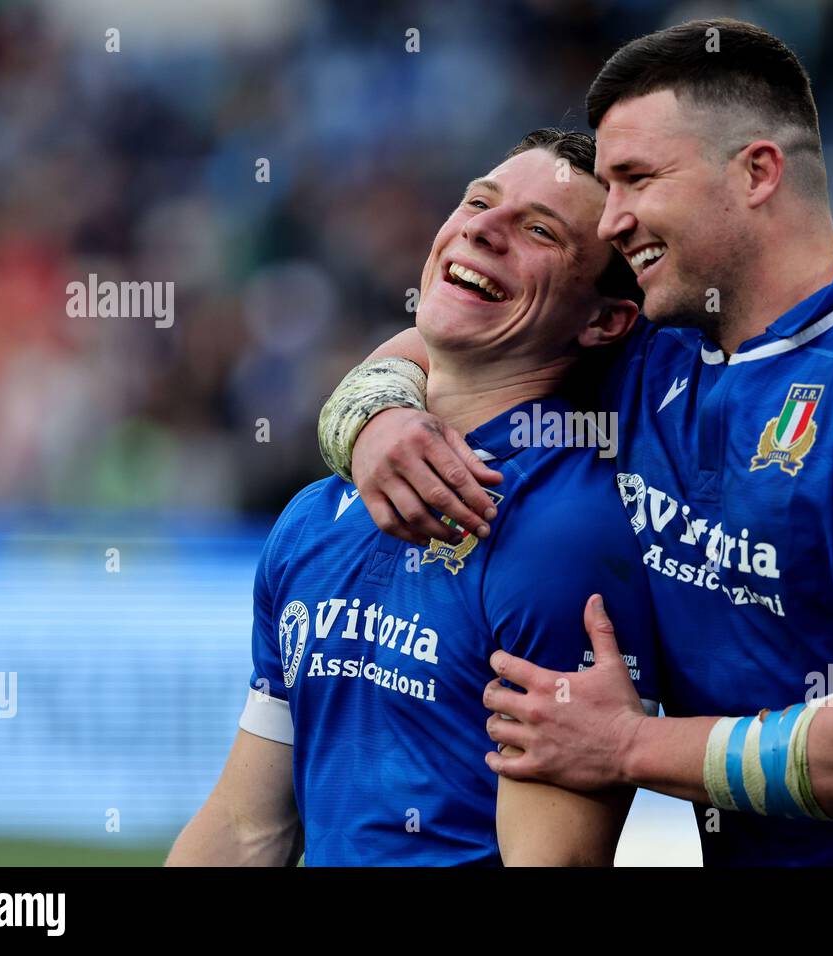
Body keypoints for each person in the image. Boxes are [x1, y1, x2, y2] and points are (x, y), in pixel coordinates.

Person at [317, 19, 833, 866]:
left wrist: (629, 746)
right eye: (607, 189)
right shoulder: (656, 345)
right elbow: (450, 338)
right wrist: (377, 417)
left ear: (757, 172)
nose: (613, 220)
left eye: (637, 180)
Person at [167, 129, 659, 867]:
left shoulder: (568, 537)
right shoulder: (314, 516)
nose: (481, 228)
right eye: (478, 201)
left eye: (538, 231)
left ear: (604, 320)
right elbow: (248, 827)